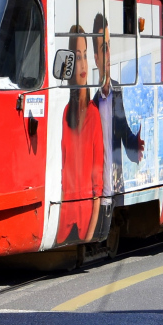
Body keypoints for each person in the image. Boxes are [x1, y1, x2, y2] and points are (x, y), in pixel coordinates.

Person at [56, 26, 105, 246]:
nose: (83, 64)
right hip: (64, 220)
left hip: (85, 221)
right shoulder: (66, 112)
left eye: (85, 56)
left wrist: (90, 235)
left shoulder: (94, 114)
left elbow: (98, 182)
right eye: (77, 57)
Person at [91, 14, 144, 198]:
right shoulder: (92, 101)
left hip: (116, 183)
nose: (107, 55)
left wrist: (135, 146)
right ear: (96, 58)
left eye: (109, 48)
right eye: (103, 49)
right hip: (97, 185)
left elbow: (123, 131)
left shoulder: (117, 90)